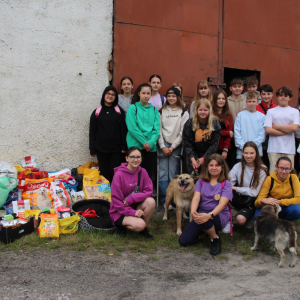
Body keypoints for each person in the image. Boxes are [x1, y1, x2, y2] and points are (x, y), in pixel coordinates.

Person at [179, 154, 233, 256]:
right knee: (184, 240)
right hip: (202, 213)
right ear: (207, 167)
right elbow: (196, 198)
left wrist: (210, 215)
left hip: (218, 215)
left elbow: (222, 204)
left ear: (222, 167)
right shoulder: (201, 181)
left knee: (204, 219)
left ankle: (214, 238)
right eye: (211, 165)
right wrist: (193, 211)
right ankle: (205, 233)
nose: (213, 168)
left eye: (217, 165)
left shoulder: (226, 184)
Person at [109, 147, 156, 238]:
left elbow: (149, 191)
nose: (135, 160)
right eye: (132, 157)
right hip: (119, 210)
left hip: (134, 205)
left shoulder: (143, 172)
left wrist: (133, 198)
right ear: (127, 158)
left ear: (141, 159)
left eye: (138, 157)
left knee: (151, 201)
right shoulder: (119, 175)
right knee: (139, 225)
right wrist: (132, 212)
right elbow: (116, 201)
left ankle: (144, 229)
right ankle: (121, 226)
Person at [158, 87, 189, 208]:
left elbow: (183, 132)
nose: (171, 98)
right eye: (169, 96)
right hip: (163, 145)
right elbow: (158, 130)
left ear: (178, 97)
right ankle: (165, 200)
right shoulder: (161, 111)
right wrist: (162, 146)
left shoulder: (183, 112)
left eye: (174, 96)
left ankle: (174, 199)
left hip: (175, 146)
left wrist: (172, 147)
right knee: (162, 173)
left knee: (173, 174)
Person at [89, 86, 127, 183]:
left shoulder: (119, 111)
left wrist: (124, 146)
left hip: (116, 149)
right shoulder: (97, 112)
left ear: (115, 97)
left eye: (113, 94)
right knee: (104, 171)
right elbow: (92, 131)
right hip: (101, 149)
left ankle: (116, 193)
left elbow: (123, 129)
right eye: (108, 94)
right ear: (104, 95)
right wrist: (92, 148)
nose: (110, 96)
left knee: (116, 172)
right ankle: (106, 195)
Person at [228, 142, 268, 231]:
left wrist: (235, 188)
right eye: (246, 153)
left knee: (240, 220)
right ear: (242, 153)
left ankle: (250, 216)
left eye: (251, 153)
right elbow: (228, 183)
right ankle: (229, 217)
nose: (248, 156)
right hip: (239, 198)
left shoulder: (262, 169)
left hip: (251, 201)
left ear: (256, 153)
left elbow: (254, 192)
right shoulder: (238, 166)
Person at [125, 83, 160, 179]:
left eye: (148, 93)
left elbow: (156, 129)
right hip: (136, 145)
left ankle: (145, 193)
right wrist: (145, 142)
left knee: (147, 174)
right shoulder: (133, 108)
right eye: (143, 93)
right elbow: (132, 128)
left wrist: (151, 142)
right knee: (134, 173)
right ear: (139, 93)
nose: (146, 95)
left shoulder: (154, 109)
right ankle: (134, 193)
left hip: (150, 148)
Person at [264, 86, 299, 173]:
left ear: (289, 97)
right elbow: (268, 130)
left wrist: (277, 127)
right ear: (277, 97)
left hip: (289, 149)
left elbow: (294, 128)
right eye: (280, 95)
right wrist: (287, 129)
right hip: (273, 148)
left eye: (285, 95)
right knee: (274, 173)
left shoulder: (295, 111)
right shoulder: (271, 111)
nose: (282, 97)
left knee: (288, 174)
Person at [254, 156, 300, 222]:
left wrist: (278, 202)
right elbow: (257, 203)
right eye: (281, 168)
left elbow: (298, 199)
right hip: (271, 207)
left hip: (285, 206)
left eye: (287, 168)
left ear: (290, 169)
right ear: (276, 167)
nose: (284, 171)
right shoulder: (269, 179)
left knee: (297, 210)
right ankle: (272, 223)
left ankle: (283, 223)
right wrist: (263, 200)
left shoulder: (294, 178)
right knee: (257, 216)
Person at [183, 99, 221, 175]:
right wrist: (193, 159)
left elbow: (214, 144)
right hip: (193, 155)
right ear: (196, 110)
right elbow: (186, 142)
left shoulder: (215, 123)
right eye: (200, 110)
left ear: (209, 110)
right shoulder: (190, 122)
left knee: (207, 177)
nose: (202, 112)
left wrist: (204, 158)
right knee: (193, 177)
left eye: (205, 110)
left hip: (209, 154)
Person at [234, 91, 266, 162]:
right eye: (249, 101)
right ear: (246, 102)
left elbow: (262, 135)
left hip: (257, 152)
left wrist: (252, 147)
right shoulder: (240, 115)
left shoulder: (262, 117)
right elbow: (237, 133)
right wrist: (244, 147)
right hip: (241, 153)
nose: (251, 104)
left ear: (258, 102)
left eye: (253, 101)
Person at [256, 84, 277, 169]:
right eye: (264, 94)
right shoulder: (256, 108)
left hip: (274, 141)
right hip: (261, 142)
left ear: (272, 94)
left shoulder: (277, 108)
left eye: (268, 94)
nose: (266, 96)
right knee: (261, 166)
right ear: (260, 95)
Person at [227, 78, 247, 169]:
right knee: (230, 159)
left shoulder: (246, 101)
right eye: (235, 87)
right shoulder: (226, 101)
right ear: (230, 88)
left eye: (239, 86)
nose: (237, 88)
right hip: (229, 135)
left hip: (243, 135)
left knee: (242, 159)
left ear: (243, 88)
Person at [211, 89, 233, 161]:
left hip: (224, 148)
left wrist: (225, 149)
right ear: (215, 100)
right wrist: (227, 133)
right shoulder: (210, 114)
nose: (221, 100)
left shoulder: (229, 116)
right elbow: (211, 132)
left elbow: (229, 136)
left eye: (223, 98)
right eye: (219, 98)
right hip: (211, 147)